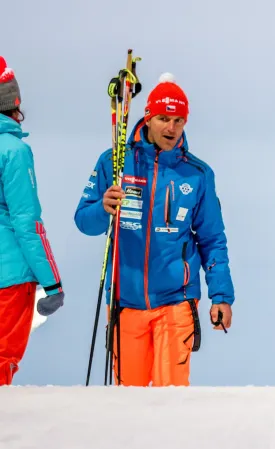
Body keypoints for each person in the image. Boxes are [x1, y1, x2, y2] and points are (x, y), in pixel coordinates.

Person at [74, 73, 235, 387]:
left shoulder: (198, 174)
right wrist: (102, 208)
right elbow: (83, 221)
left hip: (177, 303)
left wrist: (221, 296)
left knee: (172, 397)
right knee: (129, 399)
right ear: (148, 118)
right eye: (163, 119)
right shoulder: (115, 162)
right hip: (126, 301)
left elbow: (213, 240)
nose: (171, 128)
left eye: (179, 120)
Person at [0, 56, 65, 386]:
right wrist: (52, 283)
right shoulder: (13, 151)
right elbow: (27, 224)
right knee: (2, 360)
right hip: (9, 281)